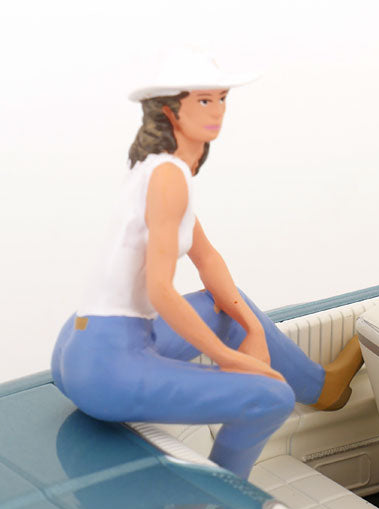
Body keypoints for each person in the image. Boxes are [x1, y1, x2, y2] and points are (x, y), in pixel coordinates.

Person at [51, 49, 362, 478]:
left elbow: (206, 256)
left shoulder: (160, 167)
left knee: (227, 305)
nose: (217, 111)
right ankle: (217, 502)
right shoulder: (168, 178)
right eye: (203, 100)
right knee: (272, 398)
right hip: (107, 368)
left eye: (221, 99)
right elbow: (161, 289)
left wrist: (253, 329)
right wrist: (230, 358)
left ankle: (323, 388)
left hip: (78, 345)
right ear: (169, 111)